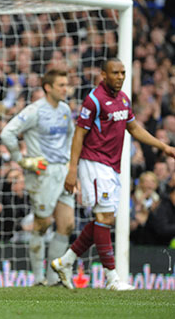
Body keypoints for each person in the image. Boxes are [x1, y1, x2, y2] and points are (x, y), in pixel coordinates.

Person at [52, 58, 175, 291]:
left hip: (111, 166)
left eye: (123, 73)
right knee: (105, 218)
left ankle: (64, 262)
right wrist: (72, 170)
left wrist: (163, 146)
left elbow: (134, 128)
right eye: (115, 73)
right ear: (103, 75)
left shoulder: (124, 99)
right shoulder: (94, 100)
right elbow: (79, 135)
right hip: (94, 163)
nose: (120, 76)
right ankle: (112, 279)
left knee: (103, 219)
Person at [0, 68, 75, 286]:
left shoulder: (65, 109)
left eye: (66, 84)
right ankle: (38, 278)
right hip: (43, 173)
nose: (65, 88)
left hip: (63, 170)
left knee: (67, 224)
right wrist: (21, 159)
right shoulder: (34, 111)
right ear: (47, 88)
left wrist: (72, 167)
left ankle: (53, 279)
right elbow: (7, 132)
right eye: (61, 85)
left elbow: (70, 137)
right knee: (42, 225)